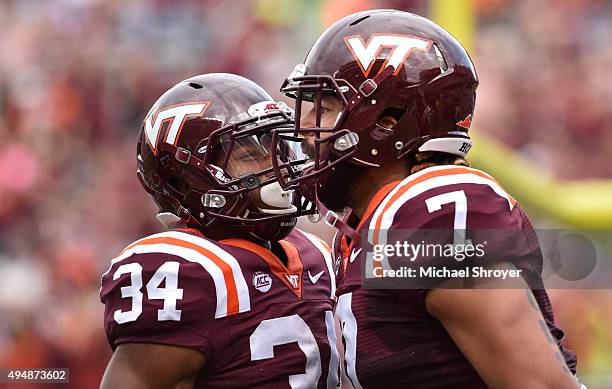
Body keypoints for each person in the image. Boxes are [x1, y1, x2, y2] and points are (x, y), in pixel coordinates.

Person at [277, 10, 582, 389]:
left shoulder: (431, 209)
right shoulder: (362, 229)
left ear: (387, 122)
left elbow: (542, 386)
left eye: (325, 109)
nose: (306, 131)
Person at [100, 73, 339, 388]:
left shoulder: (317, 253)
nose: (278, 167)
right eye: (251, 155)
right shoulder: (185, 269)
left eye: (278, 148)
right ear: (183, 182)